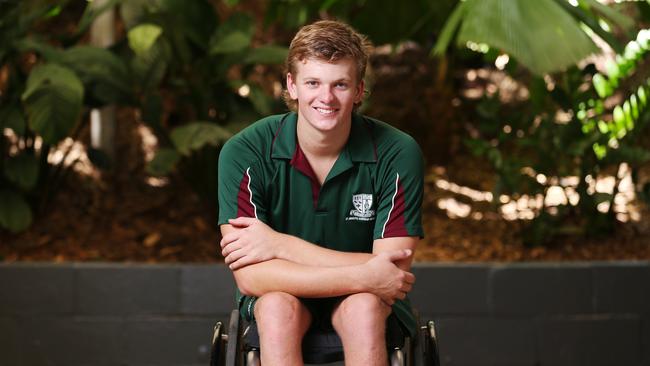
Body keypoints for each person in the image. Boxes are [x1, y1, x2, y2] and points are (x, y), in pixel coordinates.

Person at [217, 19, 424, 366]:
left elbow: (393, 271)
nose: (325, 98)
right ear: (292, 85)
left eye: (340, 84)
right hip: (282, 298)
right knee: (275, 307)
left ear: (359, 90)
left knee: (363, 307)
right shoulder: (246, 151)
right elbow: (250, 275)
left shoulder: (397, 152)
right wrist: (363, 272)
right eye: (313, 82)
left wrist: (281, 245)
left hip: (367, 301)